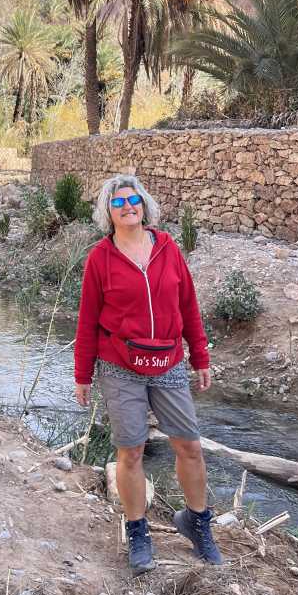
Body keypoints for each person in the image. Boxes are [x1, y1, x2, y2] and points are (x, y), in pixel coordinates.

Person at [74, 173, 222, 573]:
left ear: (144, 205)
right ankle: (138, 531)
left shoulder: (168, 248)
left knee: (189, 446)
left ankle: (198, 523)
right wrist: (82, 375)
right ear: (108, 212)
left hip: (168, 360)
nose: (127, 207)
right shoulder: (100, 259)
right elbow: (87, 321)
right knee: (131, 451)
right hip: (119, 366)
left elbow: (188, 305)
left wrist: (200, 356)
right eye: (118, 202)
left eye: (133, 200)